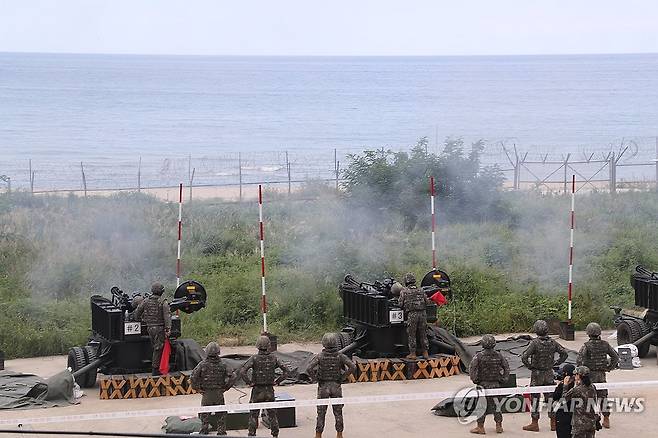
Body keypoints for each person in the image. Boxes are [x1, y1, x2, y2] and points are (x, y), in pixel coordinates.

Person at [521, 319, 568, 432]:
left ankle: (535, 423)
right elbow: (564, 353)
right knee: (550, 399)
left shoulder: (535, 343)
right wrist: (557, 363)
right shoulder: (553, 343)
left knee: (535, 398)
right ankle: (553, 422)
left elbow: (524, 357)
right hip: (549, 373)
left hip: (537, 374)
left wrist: (530, 366)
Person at [306, 333, 356, 438]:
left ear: (324, 343)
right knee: (338, 412)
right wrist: (342, 377)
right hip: (336, 387)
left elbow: (309, 368)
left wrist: (315, 379)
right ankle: (339, 434)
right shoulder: (340, 356)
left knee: (321, 413)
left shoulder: (320, 356)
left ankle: (318, 435)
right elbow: (352, 367)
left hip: (323, 387)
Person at [240, 336, 291, 437]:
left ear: (257, 346)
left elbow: (242, 371)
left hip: (257, 390)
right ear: (269, 346)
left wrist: (249, 382)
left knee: (253, 415)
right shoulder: (274, 358)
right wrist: (277, 381)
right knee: (272, 415)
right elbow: (286, 371)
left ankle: (252, 434)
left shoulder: (254, 358)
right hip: (269, 391)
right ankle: (275, 435)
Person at [577, 322, 618, 429]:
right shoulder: (605, 344)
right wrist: (609, 367)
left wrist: (580, 375)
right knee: (603, 397)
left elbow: (579, 361)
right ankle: (606, 418)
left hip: (589, 376)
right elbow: (615, 357)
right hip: (601, 375)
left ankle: (591, 419)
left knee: (588, 397)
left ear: (588, 333)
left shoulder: (586, 346)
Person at [468, 334, 510, 434]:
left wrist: (475, 380)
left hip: (482, 385)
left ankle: (480, 427)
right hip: (496, 384)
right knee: (497, 405)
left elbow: (472, 368)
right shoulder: (499, 355)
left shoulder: (478, 356)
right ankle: (499, 426)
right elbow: (506, 367)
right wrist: (504, 379)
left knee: (481, 406)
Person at [191, 342, 233, 435]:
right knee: (221, 414)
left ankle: (204, 430)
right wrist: (226, 387)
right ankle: (221, 432)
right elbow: (232, 376)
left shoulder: (202, 364)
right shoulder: (223, 364)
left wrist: (197, 389)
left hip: (206, 393)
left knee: (205, 414)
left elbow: (193, 377)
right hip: (219, 393)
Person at [133, 282, 171, 375]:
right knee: (158, 348)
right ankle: (155, 370)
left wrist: (139, 320)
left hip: (149, 328)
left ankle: (155, 366)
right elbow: (167, 316)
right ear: (161, 292)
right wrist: (168, 329)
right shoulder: (163, 302)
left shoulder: (146, 301)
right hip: (159, 328)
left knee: (155, 347)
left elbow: (137, 312)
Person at [397, 272, 431, 359]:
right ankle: (425, 352)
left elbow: (400, 304)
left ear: (406, 282)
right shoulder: (421, 290)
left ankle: (413, 353)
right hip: (423, 314)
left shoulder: (404, 291)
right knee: (423, 333)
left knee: (412, 334)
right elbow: (427, 302)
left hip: (412, 314)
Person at [563, 366, 599, 438]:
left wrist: (565, 385)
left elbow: (564, 399)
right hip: (591, 423)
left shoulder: (577, 389)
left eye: (575, 374)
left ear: (579, 376)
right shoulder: (592, 387)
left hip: (579, 424)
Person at [551, 363, 576, 438]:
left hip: (563, 415)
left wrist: (563, 385)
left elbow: (555, 397)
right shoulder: (578, 385)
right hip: (576, 415)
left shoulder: (562, 386)